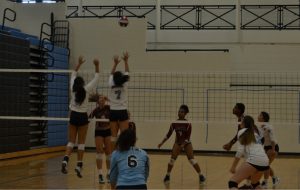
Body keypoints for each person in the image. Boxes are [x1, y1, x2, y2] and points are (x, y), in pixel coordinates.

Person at [61, 56, 100, 178]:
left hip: (73, 115)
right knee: (81, 142)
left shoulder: (73, 89)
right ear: (82, 83)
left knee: (71, 141)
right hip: (83, 117)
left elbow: (73, 73)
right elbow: (97, 77)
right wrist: (96, 65)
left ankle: (65, 160)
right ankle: (78, 165)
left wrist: (78, 64)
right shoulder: (86, 89)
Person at [158, 104, 205, 185]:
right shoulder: (174, 123)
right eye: (179, 111)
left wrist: (183, 145)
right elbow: (168, 134)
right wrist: (162, 142)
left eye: (182, 112)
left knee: (192, 160)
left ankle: (201, 175)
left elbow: (188, 137)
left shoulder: (188, 124)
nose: (179, 113)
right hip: (178, 143)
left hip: (187, 143)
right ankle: (167, 176)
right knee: (172, 160)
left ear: (185, 113)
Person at [228, 115, 269, 189]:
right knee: (255, 184)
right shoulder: (255, 133)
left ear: (244, 123)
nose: (239, 123)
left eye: (241, 121)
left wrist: (233, 167)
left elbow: (240, 151)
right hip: (265, 161)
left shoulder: (242, 131)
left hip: (254, 160)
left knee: (232, 183)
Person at [108, 52, 130, 150]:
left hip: (113, 111)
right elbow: (127, 73)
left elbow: (111, 74)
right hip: (122, 111)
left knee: (113, 137)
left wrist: (115, 63)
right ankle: (124, 154)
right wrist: (126, 61)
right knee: (124, 135)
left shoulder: (111, 84)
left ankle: (114, 155)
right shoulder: (125, 84)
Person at [89, 95, 112, 184]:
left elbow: (116, 107)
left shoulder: (109, 108)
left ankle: (109, 174)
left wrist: (109, 99)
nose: (102, 99)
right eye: (100, 98)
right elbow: (88, 118)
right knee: (99, 152)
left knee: (108, 153)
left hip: (108, 131)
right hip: (98, 132)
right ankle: (100, 175)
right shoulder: (95, 110)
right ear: (98, 101)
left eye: (103, 98)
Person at [258, 111, 280, 188]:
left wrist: (273, 150)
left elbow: (273, 139)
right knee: (265, 165)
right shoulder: (261, 126)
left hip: (272, 147)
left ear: (263, 117)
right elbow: (262, 139)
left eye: (260, 115)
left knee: (265, 165)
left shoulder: (269, 127)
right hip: (266, 147)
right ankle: (275, 178)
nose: (258, 116)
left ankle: (265, 183)